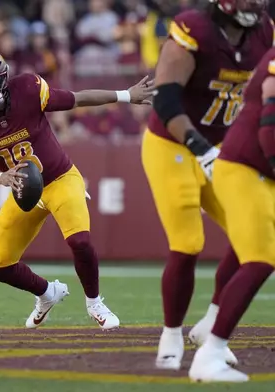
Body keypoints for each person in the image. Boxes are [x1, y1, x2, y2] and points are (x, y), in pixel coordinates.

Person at [0, 45, 153, 330]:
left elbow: (77, 99)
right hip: (24, 191)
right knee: (0, 266)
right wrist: (3, 178)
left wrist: (126, 95)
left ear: (4, 76)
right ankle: (47, 294)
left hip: (60, 178)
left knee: (80, 241)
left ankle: (95, 303)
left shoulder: (28, 88)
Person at [146, 0, 272, 370]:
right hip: (172, 145)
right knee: (188, 243)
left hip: (223, 146)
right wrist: (199, 147)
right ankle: (170, 335)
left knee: (252, 231)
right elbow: (166, 100)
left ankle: (211, 322)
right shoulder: (194, 30)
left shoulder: (265, 33)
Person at [189, 45, 275, 383]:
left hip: (259, 169)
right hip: (247, 165)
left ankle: (211, 324)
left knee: (245, 252)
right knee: (261, 256)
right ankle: (209, 356)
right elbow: (270, 121)